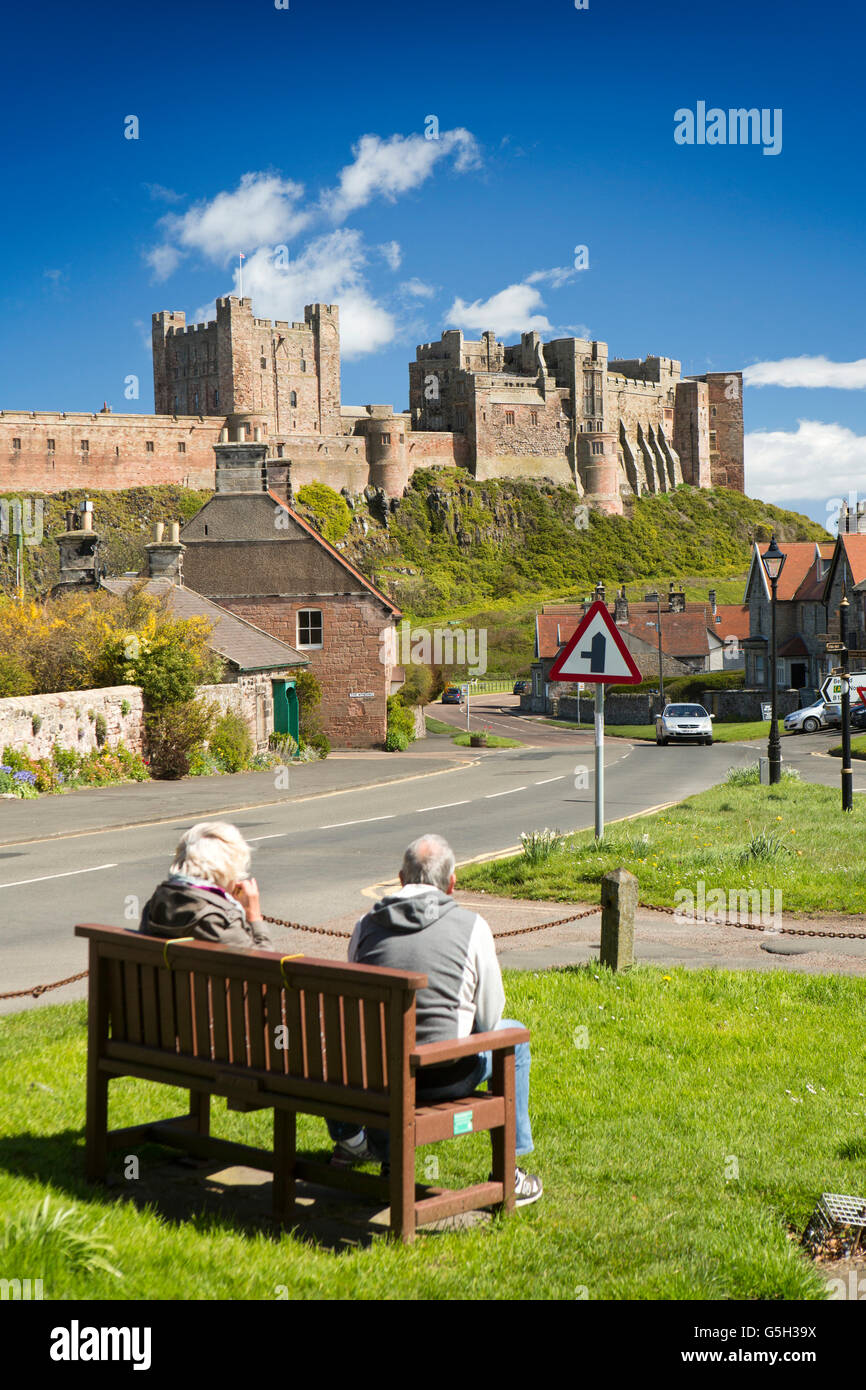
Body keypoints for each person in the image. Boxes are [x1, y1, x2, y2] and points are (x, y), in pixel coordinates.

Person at [328, 833, 542, 1206]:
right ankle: (510, 1170)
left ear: (399, 878)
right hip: (444, 1077)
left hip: (379, 1077)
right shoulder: (472, 927)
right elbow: (490, 1021)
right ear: (452, 883)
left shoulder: (366, 925)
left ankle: (384, 1155)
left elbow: (356, 1004)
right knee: (515, 1037)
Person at [139, 820, 272, 949]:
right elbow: (264, 964)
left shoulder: (154, 905)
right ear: (228, 868)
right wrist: (254, 915)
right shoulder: (217, 919)